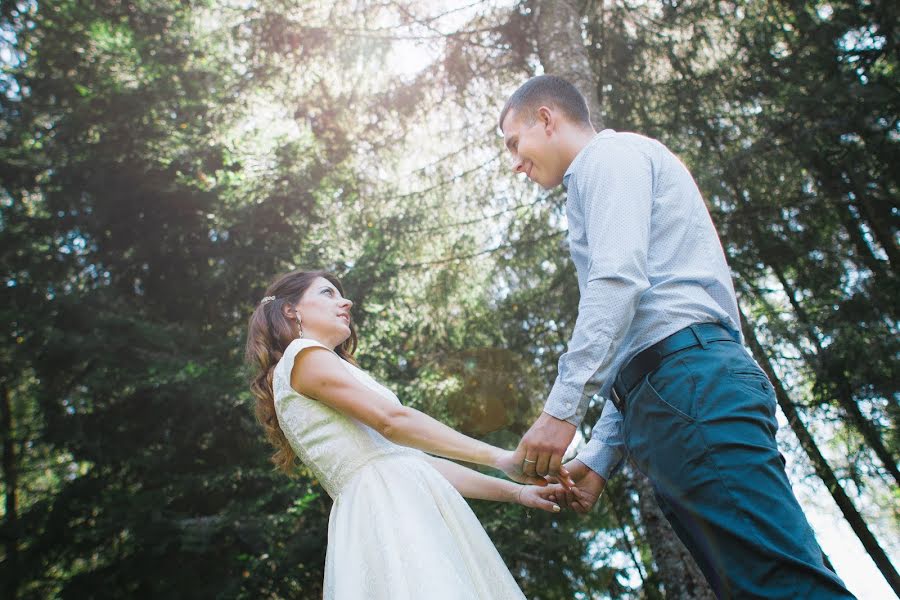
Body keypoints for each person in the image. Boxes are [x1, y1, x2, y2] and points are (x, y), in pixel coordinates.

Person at [500, 75, 854, 598]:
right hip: (681, 394)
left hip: (692, 388)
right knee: (761, 587)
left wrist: (562, 410)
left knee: (783, 586)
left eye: (514, 142)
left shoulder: (608, 159)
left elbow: (619, 282)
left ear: (547, 119)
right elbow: (641, 335)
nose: (515, 162)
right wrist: (600, 457)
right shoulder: (604, 175)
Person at [244, 270, 570, 599]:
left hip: (406, 501)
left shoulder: (320, 365)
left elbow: (418, 461)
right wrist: (499, 457)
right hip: (388, 509)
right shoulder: (302, 356)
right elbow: (393, 420)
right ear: (290, 309)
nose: (346, 302)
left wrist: (516, 492)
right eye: (327, 293)